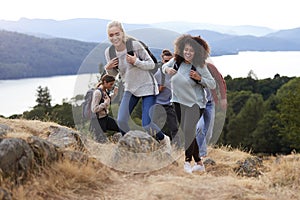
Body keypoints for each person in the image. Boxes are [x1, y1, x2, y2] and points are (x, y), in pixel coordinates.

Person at [104, 21, 171, 153]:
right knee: (121, 121)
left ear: (122, 33)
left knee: (146, 124)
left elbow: (152, 65)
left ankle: (164, 140)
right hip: (130, 88)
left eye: (117, 34)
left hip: (147, 87)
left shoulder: (134, 45)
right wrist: (108, 68)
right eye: (111, 35)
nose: (114, 37)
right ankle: (130, 148)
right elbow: (115, 74)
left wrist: (136, 61)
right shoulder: (109, 52)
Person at [162, 34, 216, 173]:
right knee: (188, 132)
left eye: (191, 51)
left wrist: (199, 78)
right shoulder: (176, 61)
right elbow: (163, 67)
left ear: (197, 52)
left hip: (196, 104)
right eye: (186, 49)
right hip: (178, 102)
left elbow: (212, 83)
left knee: (188, 131)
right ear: (181, 49)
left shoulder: (199, 66)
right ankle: (199, 162)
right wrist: (167, 69)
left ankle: (187, 162)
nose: (188, 53)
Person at [196, 62, 227, 158]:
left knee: (208, 134)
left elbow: (221, 81)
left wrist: (223, 98)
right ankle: (202, 156)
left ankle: (200, 150)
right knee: (200, 128)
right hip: (196, 104)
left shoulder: (210, 67)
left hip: (210, 103)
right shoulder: (189, 67)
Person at [153, 49, 179, 146]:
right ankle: (154, 146)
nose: (168, 63)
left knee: (174, 128)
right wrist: (158, 90)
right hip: (157, 104)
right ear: (162, 61)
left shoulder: (175, 73)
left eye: (170, 61)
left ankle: (177, 148)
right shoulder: (158, 74)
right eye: (166, 61)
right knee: (154, 127)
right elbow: (150, 90)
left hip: (169, 104)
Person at [90, 74, 119, 143]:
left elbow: (108, 100)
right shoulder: (97, 93)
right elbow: (94, 109)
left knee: (121, 127)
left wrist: (114, 94)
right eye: (110, 84)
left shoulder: (105, 90)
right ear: (105, 82)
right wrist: (105, 104)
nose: (111, 86)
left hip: (105, 118)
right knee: (101, 142)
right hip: (98, 121)